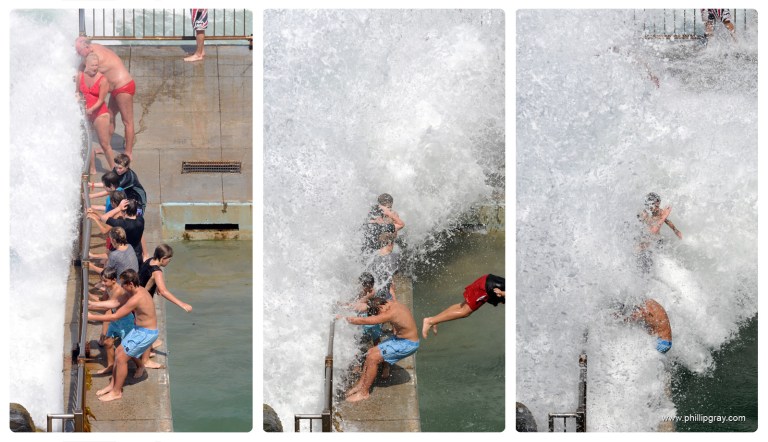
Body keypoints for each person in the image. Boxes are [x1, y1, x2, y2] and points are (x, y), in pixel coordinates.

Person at [87, 269, 158, 402]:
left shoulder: (136, 298)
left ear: (130, 283)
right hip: (139, 330)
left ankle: (117, 392)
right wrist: (92, 304)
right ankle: (112, 385)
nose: (121, 286)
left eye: (123, 284)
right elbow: (115, 303)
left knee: (121, 359)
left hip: (146, 333)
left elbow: (115, 315)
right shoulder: (133, 291)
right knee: (119, 352)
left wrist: (90, 316)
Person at [341, 297, 420, 403]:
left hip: (407, 344)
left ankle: (364, 393)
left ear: (381, 306)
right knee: (370, 353)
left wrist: (343, 318)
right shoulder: (391, 303)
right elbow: (370, 305)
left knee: (373, 358)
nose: (378, 314)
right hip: (399, 339)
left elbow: (365, 320)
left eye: (378, 312)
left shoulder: (390, 313)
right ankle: (360, 385)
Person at [75, 36, 136, 158]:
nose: (79, 55)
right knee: (110, 116)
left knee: (127, 121)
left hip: (124, 87)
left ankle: (128, 152)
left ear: (86, 47)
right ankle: (106, 146)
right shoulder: (94, 47)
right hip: (116, 88)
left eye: (79, 52)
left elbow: (88, 74)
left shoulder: (95, 58)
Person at [422, 274, 505, 339]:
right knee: (465, 312)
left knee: (462, 306)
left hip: (487, 280)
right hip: (488, 287)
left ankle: (435, 319)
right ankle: (430, 321)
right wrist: (502, 293)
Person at [88, 268, 135, 374]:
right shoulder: (108, 288)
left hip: (125, 321)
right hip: (115, 320)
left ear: (114, 280)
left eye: (105, 281)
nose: (102, 283)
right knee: (108, 342)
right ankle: (110, 365)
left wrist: (89, 307)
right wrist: (90, 299)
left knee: (128, 348)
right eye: (102, 280)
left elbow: (107, 307)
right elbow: (103, 301)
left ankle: (140, 365)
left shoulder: (118, 290)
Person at [77, 52, 115, 174]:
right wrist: (77, 98)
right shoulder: (80, 76)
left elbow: (101, 100)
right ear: (86, 64)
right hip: (85, 112)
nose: (95, 68)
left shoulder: (102, 80)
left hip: (100, 113)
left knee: (104, 144)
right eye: (93, 65)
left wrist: (91, 110)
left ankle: (114, 169)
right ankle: (92, 168)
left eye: (97, 65)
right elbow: (77, 92)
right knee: (88, 142)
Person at [87, 198, 145, 263]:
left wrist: (119, 208)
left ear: (124, 211)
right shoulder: (140, 220)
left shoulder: (123, 224)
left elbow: (104, 218)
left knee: (110, 258)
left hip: (127, 257)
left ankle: (92, 257)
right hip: (137, 255)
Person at [636, 192, 683, 273]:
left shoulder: (659, 212)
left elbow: (667, 221)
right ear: (649, 204)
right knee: (646, 266)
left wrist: (675, 230)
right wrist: (664, 216)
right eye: (656, 205)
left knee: (661, 258)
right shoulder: (644, 214)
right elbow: (652, 230)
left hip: (656, 241)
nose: (658, 208)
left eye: (659, 205)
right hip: (645, 243)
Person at [368, 232, 399, 301]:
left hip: (374, 294)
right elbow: (391, 282)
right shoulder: (393, 256)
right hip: (386, 295)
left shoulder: (373, 256)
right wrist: (394, 300)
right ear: (390, 243)